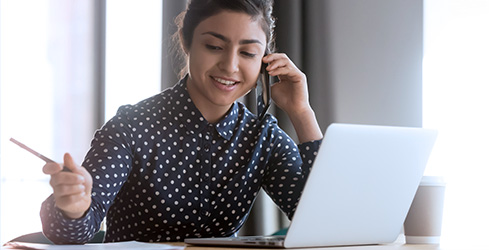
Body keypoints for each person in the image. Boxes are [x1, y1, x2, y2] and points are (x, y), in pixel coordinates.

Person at [40, 0, 323, 244]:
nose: (230, 66)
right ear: (187, 42)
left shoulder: (263, 138)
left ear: (265, 61)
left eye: (248, 53)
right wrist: (74, 208)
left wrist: (301, 112)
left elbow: (323, 222)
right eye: (214, 46)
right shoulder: (131, 127)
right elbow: (73, 233)